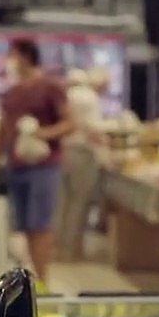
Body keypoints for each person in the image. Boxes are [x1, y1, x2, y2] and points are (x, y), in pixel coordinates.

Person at [0, 40, 74, 283]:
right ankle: (34, 276)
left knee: (41, 223)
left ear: (26, 57)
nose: (10, 60)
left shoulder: (51, 88)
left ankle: (43, 279)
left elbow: (70, 123)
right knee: (26, 224)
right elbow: (3, 128)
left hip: (45, 166)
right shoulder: (12, 93)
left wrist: (43, 134)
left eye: (13, 55)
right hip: (18, 165)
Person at [53, 68, 107, 260]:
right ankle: (72, 249)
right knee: (79, 202)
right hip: (81, 153)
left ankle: (56, 248)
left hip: (62, 152)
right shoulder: (89, 98)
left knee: (61, 202)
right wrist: (105, 145)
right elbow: (93, 128)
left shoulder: (66, 96)